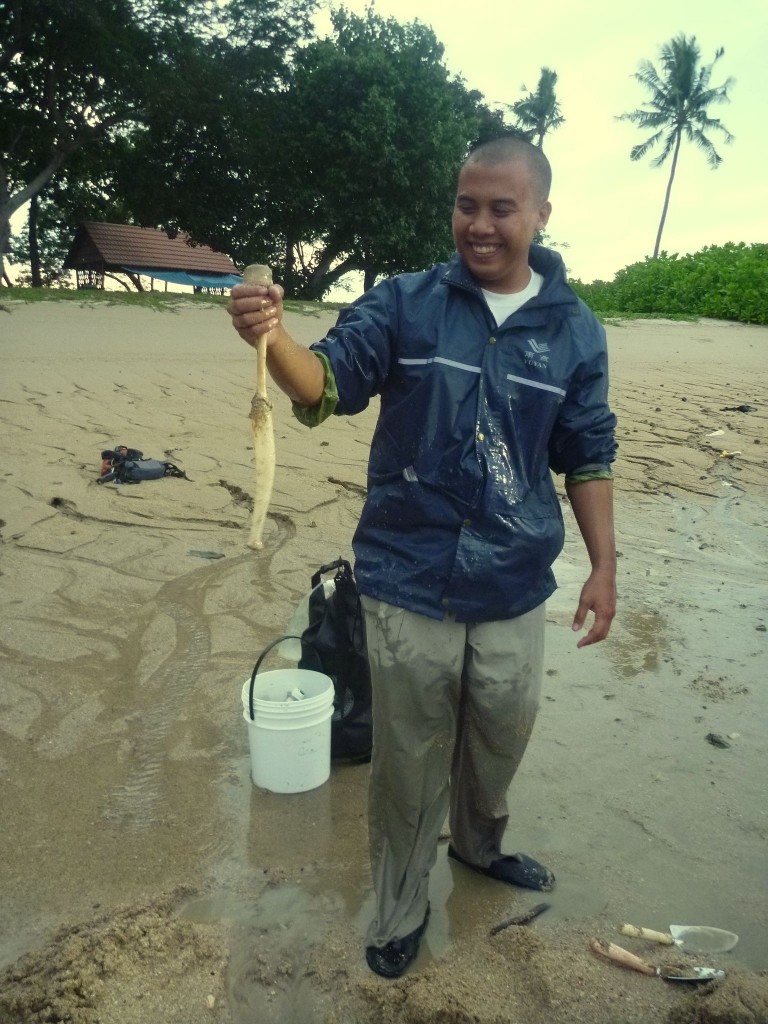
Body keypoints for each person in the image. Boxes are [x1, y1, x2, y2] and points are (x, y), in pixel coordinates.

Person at [227, 136, 617, 979]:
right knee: (406, 760)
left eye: (501, 208)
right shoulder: (404, 304)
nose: (478, 225)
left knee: (499, 735)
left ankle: (480, 846)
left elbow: (587, 452)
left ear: (541, 215)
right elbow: (324, 384)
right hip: (408, 576)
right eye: (465, 205)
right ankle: (400, 909)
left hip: (514, 581)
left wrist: (605, 566)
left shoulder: (575, 329)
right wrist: (271, 335)